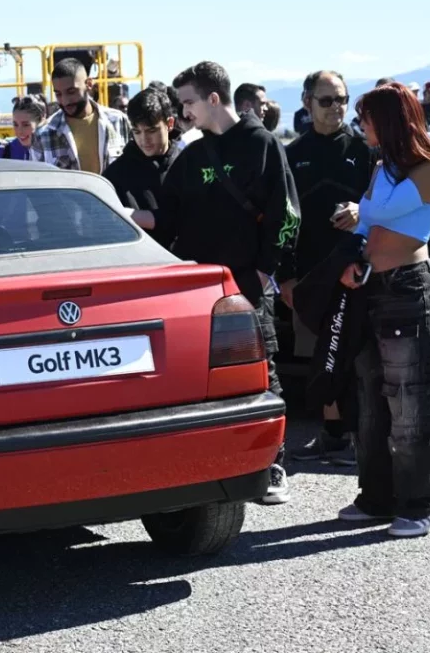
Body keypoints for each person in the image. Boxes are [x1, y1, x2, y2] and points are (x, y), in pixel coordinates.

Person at [127, 61, 300, 505]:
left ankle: (273, 463)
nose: (183, 113)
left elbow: (287, 215)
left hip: (246, 281)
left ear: (214, 100)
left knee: (263, 374)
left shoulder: (261, 144)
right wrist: (125, 219)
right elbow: (169, 218)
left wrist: (265, 270)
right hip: (202, 288)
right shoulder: (194, 155)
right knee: (208, 378)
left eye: (188, 103)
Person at [338, 82, 430, 538]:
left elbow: (381, 215)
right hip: (375, 285)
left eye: (366, 117)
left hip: (410, 289)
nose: (360, 124)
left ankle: (426, 502)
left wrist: (361, 215)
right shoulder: (383, 166)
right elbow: (370, 221)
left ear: (387, 121)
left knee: (412, 401)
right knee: (374, 403)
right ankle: (378, 498)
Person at [278, 70, 373, 466]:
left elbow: (386, 206)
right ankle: (334, 437)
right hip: (312, 278)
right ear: (306, 102)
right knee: (322, 358)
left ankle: (363, 438)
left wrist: (360, 211)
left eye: (342, 99)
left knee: (360, 359)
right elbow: (281, 218)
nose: (336, 107)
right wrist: (285, 274)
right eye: (326, 100)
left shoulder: (365, 150)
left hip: (358, 273)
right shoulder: (291, 154)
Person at [31, 58, 132, 173]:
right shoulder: (43, 134)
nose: (65, 100)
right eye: (58, 94)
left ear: (89, 84)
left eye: (71, 91)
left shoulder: (119, 121)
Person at [101, 87, 182, 218]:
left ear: (170, 123)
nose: (144, 140)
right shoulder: (115, 175)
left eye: (151, 131)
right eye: (137, 132)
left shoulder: (188, 163)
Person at [0, 96, 47, 161]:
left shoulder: (53, 149)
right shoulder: (2, 152)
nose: (19, 131)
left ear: (41, 121)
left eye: (26, 125)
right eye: (15, 125)